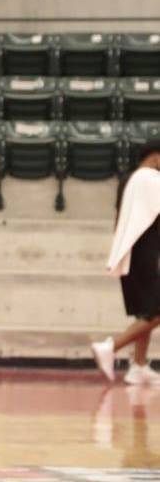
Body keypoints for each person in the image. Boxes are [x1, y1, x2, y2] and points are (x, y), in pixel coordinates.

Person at [92, 140, 160, 385]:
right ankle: (110, 347)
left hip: (132, 254)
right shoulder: (150, 179)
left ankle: (138, 366)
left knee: (146, 312)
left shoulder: (128, 180)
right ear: (156, 157)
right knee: (155, 312)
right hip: (147, 255)